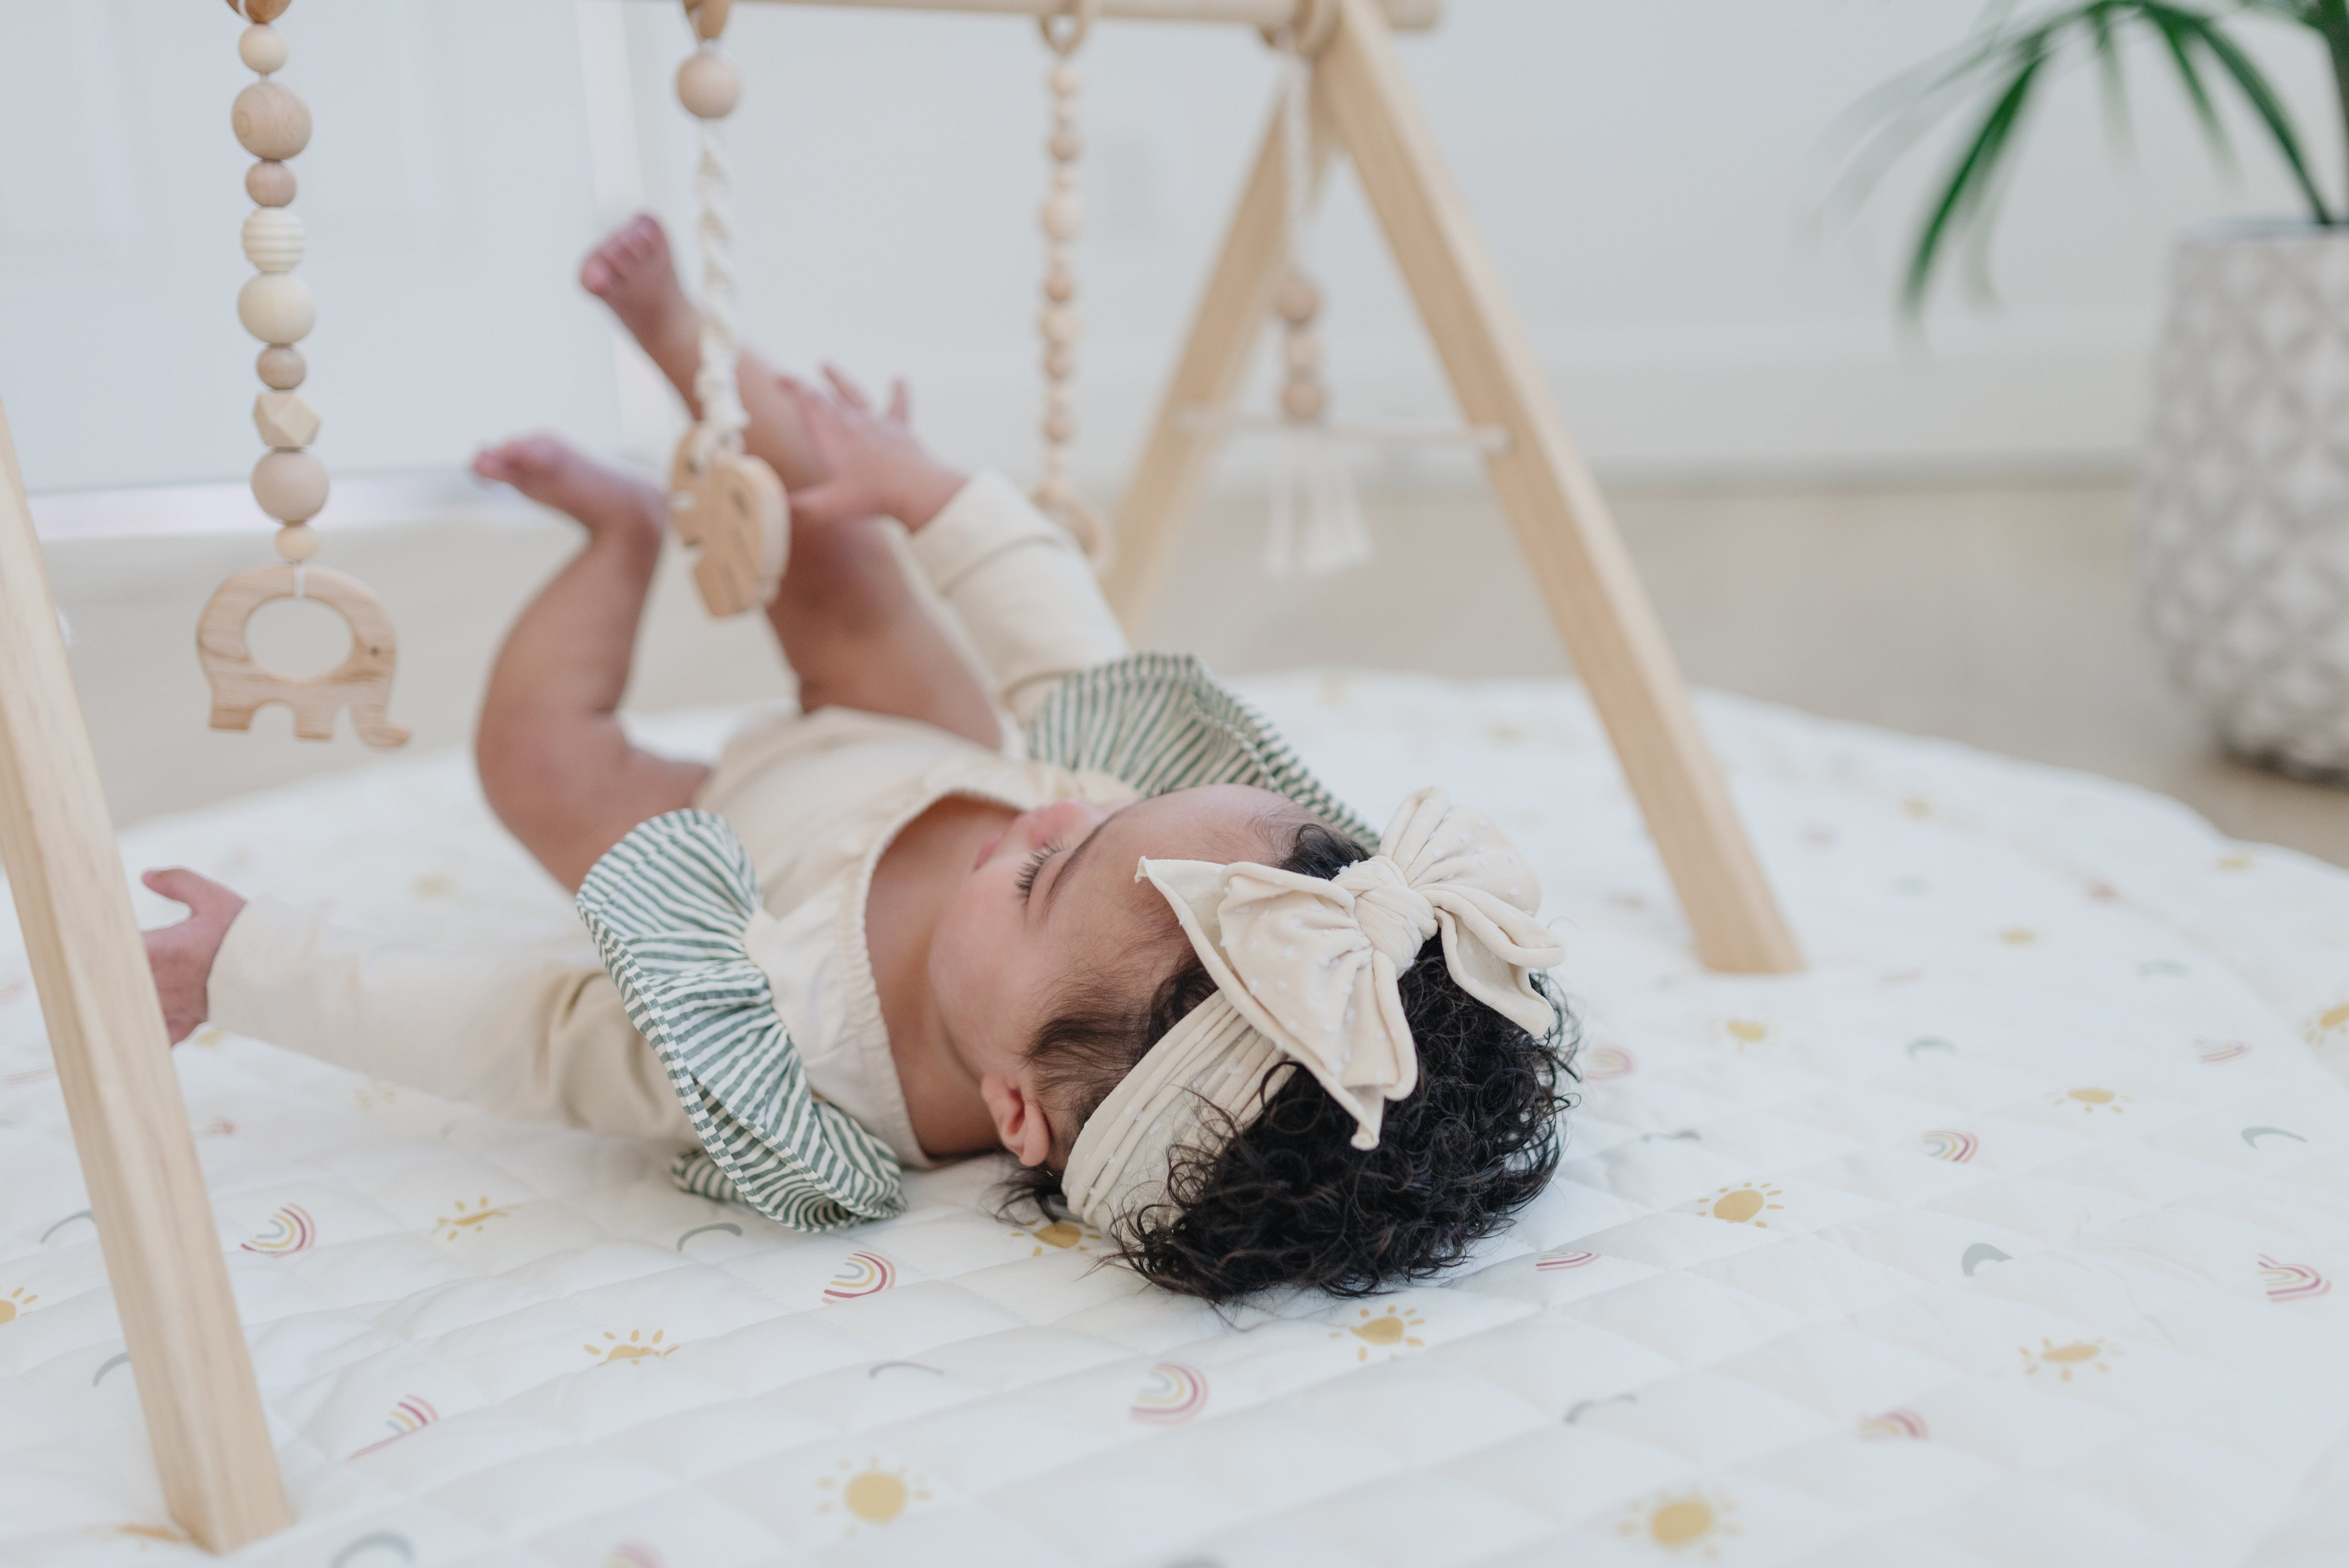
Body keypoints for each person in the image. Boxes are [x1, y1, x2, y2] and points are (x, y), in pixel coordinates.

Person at [141, 217, 1571, 1301]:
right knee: (831, 533)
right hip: (907, 734)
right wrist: (932, 494)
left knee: (536, 760)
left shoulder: (786, 1056)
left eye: (1041, 877)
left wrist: (257, 966)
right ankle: (685, 343)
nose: (1058, 809)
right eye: (1103, 816)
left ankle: (618, 539)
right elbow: (1067, 652)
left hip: (717, 825)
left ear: (1014, 1111)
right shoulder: (1092, 863)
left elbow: (525, 1030)